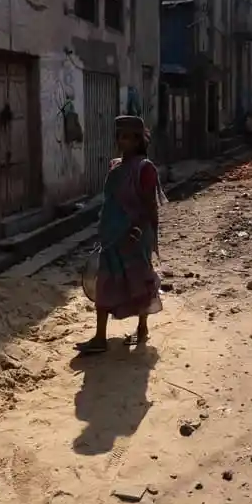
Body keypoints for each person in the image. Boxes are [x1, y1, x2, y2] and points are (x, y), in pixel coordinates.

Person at [75, 115, 166, 355]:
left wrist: (136, 230)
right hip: (112, 235)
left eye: (128, 137)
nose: (123, 142)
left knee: (139, 280)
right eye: (120, 137)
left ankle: (142, 328)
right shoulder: (115, 166)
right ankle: (100, 338)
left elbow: (149, 205)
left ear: (138, 141)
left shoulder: (145, 168)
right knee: (105, 282)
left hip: (135, 236)